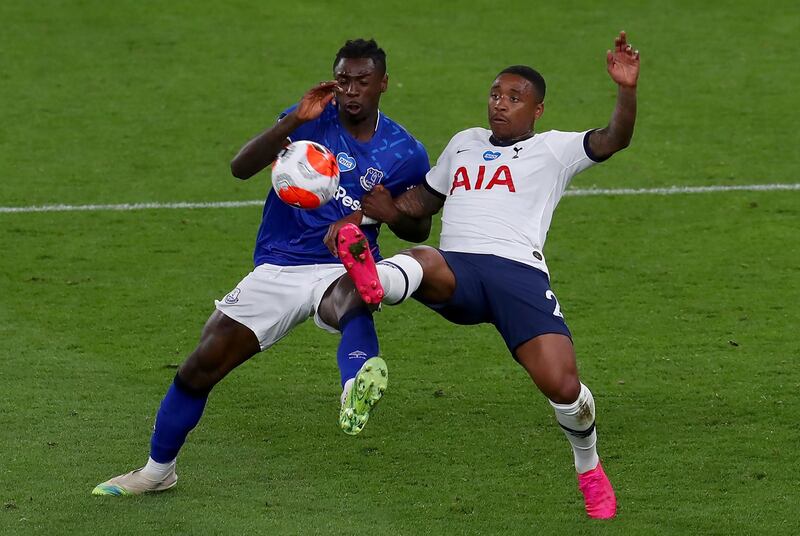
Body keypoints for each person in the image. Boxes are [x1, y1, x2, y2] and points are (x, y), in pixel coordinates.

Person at [92, 38, 431, 496]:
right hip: (278, 266)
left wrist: (390, 212)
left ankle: (357, 381)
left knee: (354, 296)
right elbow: (240, 168)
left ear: (383, 84)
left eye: (362, 82)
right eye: (344, 80)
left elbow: (420, 228)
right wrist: (293, 120)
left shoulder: (405, 151)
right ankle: (157, 472)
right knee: (199, 367)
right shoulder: (311, 119)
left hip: (341, 265)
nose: (351, 90)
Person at [333, 32, 639, 519]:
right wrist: (371, 217)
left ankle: (589, 469)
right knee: (424, 257)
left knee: (564, 388)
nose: (501, 104)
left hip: (518, 275)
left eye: (515, 98)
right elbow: (421, 202)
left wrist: (626, 89)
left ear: (537, 110)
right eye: (496, 95)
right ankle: (374, 281)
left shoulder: (555, 150)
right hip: (461, 271)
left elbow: (613, 138)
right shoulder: (464, 144)